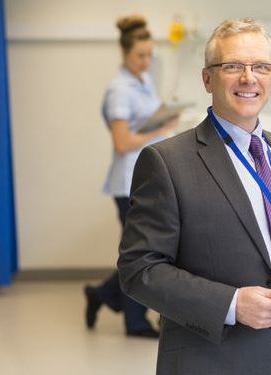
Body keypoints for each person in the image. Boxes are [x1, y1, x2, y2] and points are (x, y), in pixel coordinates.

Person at [117, 18, 271, 374]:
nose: (248, 78)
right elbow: (139, 269)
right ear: (207, 78)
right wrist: (232, 303)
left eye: (260, 67)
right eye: (233, 66)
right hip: (215, 361)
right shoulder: (167, 162)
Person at [84, 14, 177, 338]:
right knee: (142, 252)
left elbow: (146, 121)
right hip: (128, 183)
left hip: (148, 179)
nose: (146, 60)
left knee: (146, 248)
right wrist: (163, 127)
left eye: (149, 54)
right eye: (140, 55)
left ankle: (102, 294)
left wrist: (165, 114)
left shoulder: (143, 80)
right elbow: (123, 142)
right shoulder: (118, 90)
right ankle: (135, 322)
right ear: (124, 53)